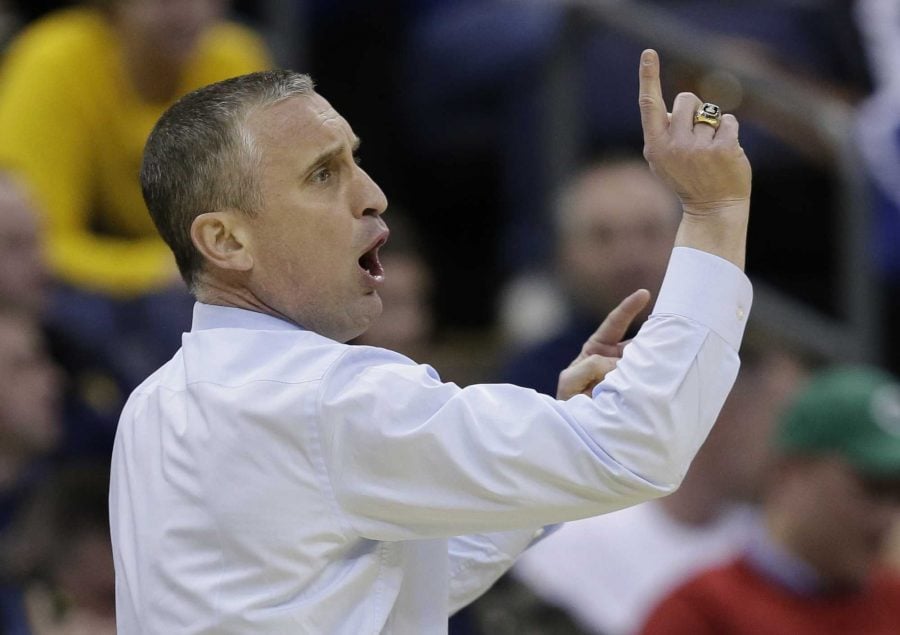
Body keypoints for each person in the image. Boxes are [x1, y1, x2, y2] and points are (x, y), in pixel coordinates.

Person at [109, 50, 754, 632]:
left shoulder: (151, 406)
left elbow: (380, 593)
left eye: (354, 160)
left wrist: (557, 446)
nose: (373, 196)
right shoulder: (325, 397)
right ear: (225, 241)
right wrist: (713, 213)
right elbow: (637, 446)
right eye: (322, 175)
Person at [0, 0, 271, 387]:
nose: (185, 10)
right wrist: (163, 269)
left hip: (194, 275)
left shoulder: (234, 57)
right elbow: (33, 247)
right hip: (82, 292)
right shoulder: (53, 61)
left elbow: (262, 223)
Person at [509, 325, 811, 635]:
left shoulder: (773, 553)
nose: (793, 451)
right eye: (782, 423)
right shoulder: (576, 532)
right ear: (721, 414)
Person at [639, 365, 900, 635]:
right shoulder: (701, 613)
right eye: (874, 488)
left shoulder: (893, 600)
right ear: (793, 472)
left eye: (898, 495)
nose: (887, 517)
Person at [499, 157, 680, 394]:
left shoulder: (728, 355)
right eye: (602, 236)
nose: (630, 255)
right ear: (565, 252)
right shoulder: (528, 384)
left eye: (650, 232)